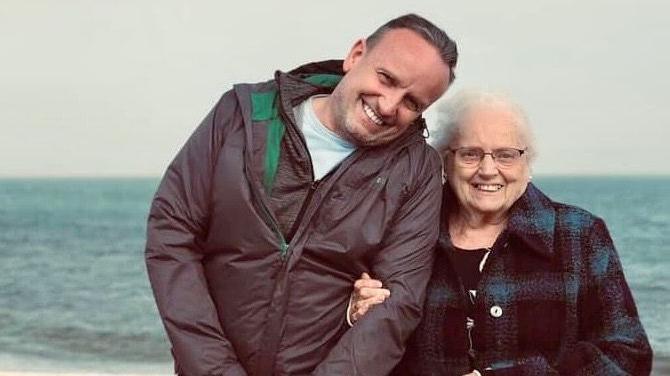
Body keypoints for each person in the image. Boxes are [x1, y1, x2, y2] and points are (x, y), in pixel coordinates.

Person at [145, 14, 458, 376]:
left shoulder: (415, 171)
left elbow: (397, 304)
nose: (388, 106)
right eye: (386, 78)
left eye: (412, 103)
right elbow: (172, 233)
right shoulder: (243, 114)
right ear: (356, 55)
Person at [350, 90, 653, 375]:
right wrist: (358, 319)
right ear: (445, 161)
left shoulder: (579, 234)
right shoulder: (406, 234)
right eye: (470, 154)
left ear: (527, 164)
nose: (488, 169)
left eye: (506, 155)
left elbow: (628, 356)